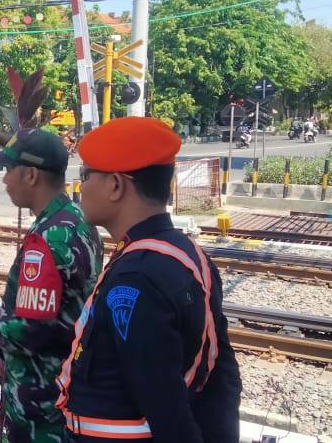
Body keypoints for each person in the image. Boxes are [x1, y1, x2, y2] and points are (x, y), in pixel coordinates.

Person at [55, 117, 242, 442]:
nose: (80, 186)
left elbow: (168, 412)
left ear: (116, 185)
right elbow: (221, 376)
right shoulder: (187, 254)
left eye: (86, 175)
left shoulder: (137, 277)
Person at [0, 128, 102, 443]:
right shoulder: (76, 219)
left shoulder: (46, 238)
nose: (5, 179)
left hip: (40, 401)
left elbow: (35, 329)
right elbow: (59, 306)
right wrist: (6, 312)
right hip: (68, 389)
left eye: (9, 170)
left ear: (31, 175)